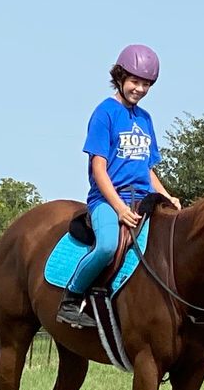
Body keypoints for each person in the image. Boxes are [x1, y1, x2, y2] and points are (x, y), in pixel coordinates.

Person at [57, 44, 181, 329]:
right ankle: (72, 299)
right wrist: (119, 208)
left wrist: (166, 196)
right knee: (107, 246)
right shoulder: (105, 113)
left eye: (146, 84)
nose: (140, 88)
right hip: (108, 199)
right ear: (120, 77)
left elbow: (147, 170)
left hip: (144, 198)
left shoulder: (145, 119)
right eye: (135, 81)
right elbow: (98, 169)